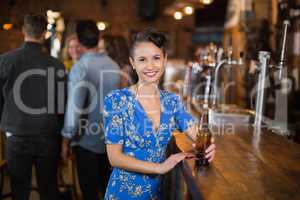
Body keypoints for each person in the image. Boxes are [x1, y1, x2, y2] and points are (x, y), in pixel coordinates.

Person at [103, 28, 216, 199]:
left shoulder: (172, 102)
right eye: (142, 60)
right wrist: (160, 167)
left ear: (165, 60)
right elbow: (115, 158)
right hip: (122, 194)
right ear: (132, 63)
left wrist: (208, 145)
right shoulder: (116, 100)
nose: (150, 66)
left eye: (156, 58)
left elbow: (197, 133)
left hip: (155, 194)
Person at [0, 14, 66, 200]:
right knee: (48, 189)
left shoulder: (5, 61)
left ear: (23, 31)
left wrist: (4, 124)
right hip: (47, 133)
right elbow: (61, 106)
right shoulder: (57, 65)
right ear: (44, 33)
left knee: (19, 190)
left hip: (16, 131)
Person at [61, 20, 120, 200]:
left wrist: (66, 139)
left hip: (86, 142)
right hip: (110, 142)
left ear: (79, 40)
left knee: (89, 194)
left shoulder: (81, 67)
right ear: (99, 37)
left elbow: (75, 110)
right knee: (107, 193)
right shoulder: (114, 66)